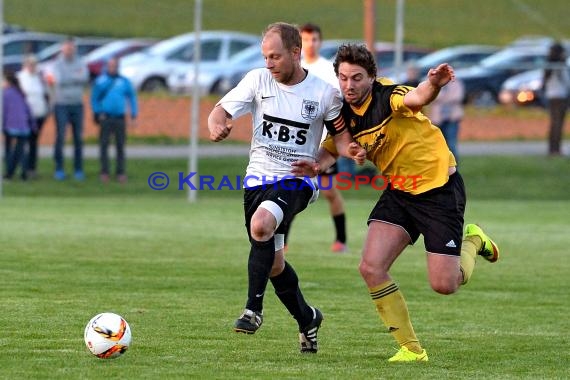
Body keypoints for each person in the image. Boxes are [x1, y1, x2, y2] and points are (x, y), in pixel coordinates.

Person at [292, 44, 500, 362]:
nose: (349, 85)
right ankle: (412, 350)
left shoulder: (388, 94)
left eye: (357, 78)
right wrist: (315, 164)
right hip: (401, 191)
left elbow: (417, 97)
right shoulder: (342, 114)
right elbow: (333, 148)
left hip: (438, 189)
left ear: (372, 77)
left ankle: (473, 240)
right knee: (371, 267)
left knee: (445, 285)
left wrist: (433, 83)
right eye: (344, 78)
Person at [207, 23, 365, 353]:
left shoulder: (324, 94)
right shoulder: (257, 80)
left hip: (298, 179)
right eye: (265, 56)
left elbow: (341, 138)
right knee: (274, 263)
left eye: (275, 56)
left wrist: (347, 153)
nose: (269, 63)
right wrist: (217, 123)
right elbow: (220, 110)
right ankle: (308, 318)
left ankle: (253, 310)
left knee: (261, 225)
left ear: (295, 53)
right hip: (256, 180)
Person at [293, 22, 348, 253]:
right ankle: (280, 242)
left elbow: (337, 102)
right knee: (290, 189)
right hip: (296, 141)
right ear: (300, 43)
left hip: (323, 142)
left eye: (314, 39)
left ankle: (341, 240)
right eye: (306, 39)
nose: (311, 43)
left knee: (328, 191)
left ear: (320, 41)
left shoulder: (328, 69)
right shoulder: (295, 67)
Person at [46, 37, 90, 181]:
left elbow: (84, 77)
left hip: (77, 104)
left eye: (72, 48)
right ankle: (59, 168)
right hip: (61, 104)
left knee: (78, 138)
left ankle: (78, 169)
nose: (70, 51)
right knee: (61, 136)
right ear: (62, 49)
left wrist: (69, 79)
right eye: (67, 48)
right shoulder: (56, 64)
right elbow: (58, 80)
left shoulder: (80, 62)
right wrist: (74, 78)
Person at [90, 57, 138, 184]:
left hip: (119, 117)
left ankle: (120, 172)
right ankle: (104, 171)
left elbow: (132, 97)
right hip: (105, 117)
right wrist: (97, 112)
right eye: (110, 65)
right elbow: (94, 98)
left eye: (115, 65)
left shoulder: (124, 81)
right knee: (104, 145)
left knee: (120, 146)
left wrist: (133, 114)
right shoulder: (101, 81)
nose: (113, 68)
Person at [17, 54, 50, 179]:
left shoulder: (40, 78)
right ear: (25, 65)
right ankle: (23, 169)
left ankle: (32, 168)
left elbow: (46, 94)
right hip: (24, 116)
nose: (32, 66)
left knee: (33, 142)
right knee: (23, 141)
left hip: (38, 115)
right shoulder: (20, 78)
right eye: (29, 64)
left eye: (34, 64)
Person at [3, 70, 36, 180]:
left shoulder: (5, 94)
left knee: (10, 151)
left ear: (8, 82)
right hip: (24, 127)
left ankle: (9, 173)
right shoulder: (20, 93)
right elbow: (28, 110)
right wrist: (32, 124)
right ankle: (24, 173)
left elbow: (3, 111)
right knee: (20, 151)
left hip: (11, 126)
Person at [428, 76, 465, 160]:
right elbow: (430, 97)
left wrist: (441, 97)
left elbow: (458, 97)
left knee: (452, 145)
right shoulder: (435, 83)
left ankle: (453, 169)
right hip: (437, 119)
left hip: (452, 119)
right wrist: (445, 97)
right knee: (438, 145)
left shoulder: (456, 83)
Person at [542, 42, 569, 156]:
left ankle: (552, 148)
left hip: (551, 96)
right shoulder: (559, 66)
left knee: (554, 123)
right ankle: (556, 150)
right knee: (558, 124)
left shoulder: (548, 66)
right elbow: (567, 82)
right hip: (560, 97)